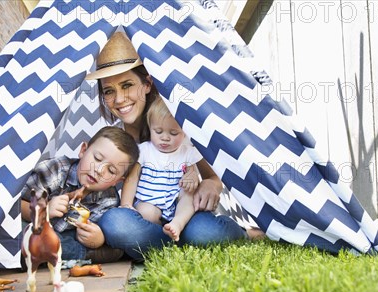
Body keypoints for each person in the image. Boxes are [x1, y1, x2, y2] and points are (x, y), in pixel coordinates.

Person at [86, 32, 261, 260]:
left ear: (147, 84)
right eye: (109, 91)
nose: (119, 99)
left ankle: (238, 234)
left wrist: (211, 184)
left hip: (185, 213)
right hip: (145, 217)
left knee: (205, 232)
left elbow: (211, 177)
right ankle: (170, 243)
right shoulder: (114, 140)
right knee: (115, 222)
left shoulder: (175, 124)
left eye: (127, 85)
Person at [20, 126, 139, 263]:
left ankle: (45, 254)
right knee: (23, 233)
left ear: (117, 181)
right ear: (83, 150)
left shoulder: (109, 201)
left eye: (111, 171)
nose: (99, 170)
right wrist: (44, 210)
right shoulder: (54, 170)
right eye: (97, 158)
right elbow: (14, 207)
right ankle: (77, 255)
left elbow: (88, 234)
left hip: (66, 237)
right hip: (31, 224)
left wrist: (98, 239)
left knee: (112, 248)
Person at [120, 96, 202, 241]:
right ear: (150, 128)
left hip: (175, 203)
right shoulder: (143, 151)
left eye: (173, 133)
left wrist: (192, 176)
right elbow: (132, 179)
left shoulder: (187, 152)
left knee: (189, 196)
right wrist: (126, 204)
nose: (165, 138)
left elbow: (192, 172)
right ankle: (161, 235)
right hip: (149, 201)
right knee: (146, 212)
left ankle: (178, 223)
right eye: (158, 132)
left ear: (184, 132)